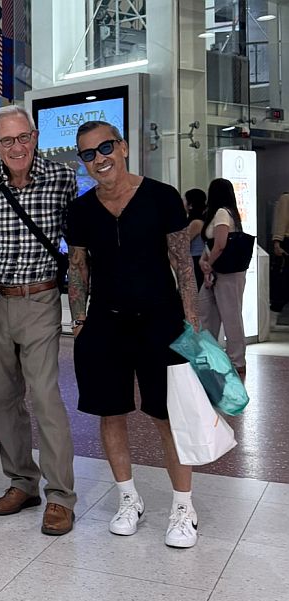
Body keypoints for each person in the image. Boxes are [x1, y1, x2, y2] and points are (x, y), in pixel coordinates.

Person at [67, 120, 202, 549]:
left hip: (162, 321)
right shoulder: (82, 209)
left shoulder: (162, 197)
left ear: (123, 147)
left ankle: (183, 507)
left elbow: (182, 263)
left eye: (106, 147)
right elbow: (78, 267)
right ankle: (128, 498)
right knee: (111, 413)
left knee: (169, 416)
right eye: (89, 154)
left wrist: (192, 320)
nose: (99, 159)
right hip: (105, 322)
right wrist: (79, 321)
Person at [0, 104, 77, 536]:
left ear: (35, 137)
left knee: (46, 397)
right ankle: (22, 482)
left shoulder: (62, 179)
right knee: (0, 399)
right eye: (7, 140)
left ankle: (61, 496)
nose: (17, 147)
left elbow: (80, 245)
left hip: (40, 300)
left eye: (23, 137)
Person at [198, 178, 248, 379]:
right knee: (207, 313)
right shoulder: (228, 213)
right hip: (218, 271)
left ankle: (237, 360)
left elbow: (220, 244)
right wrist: (205, 263)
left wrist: (208, 264)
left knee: (230, 315)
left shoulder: (221, 213)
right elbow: (212, 245)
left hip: (226, 272)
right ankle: (211, 356)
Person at [185, 188, 207, 290]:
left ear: (190, 205)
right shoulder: (198, 221)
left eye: (184, 200)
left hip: (196, 260)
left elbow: (182, 242)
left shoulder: (196, 223)